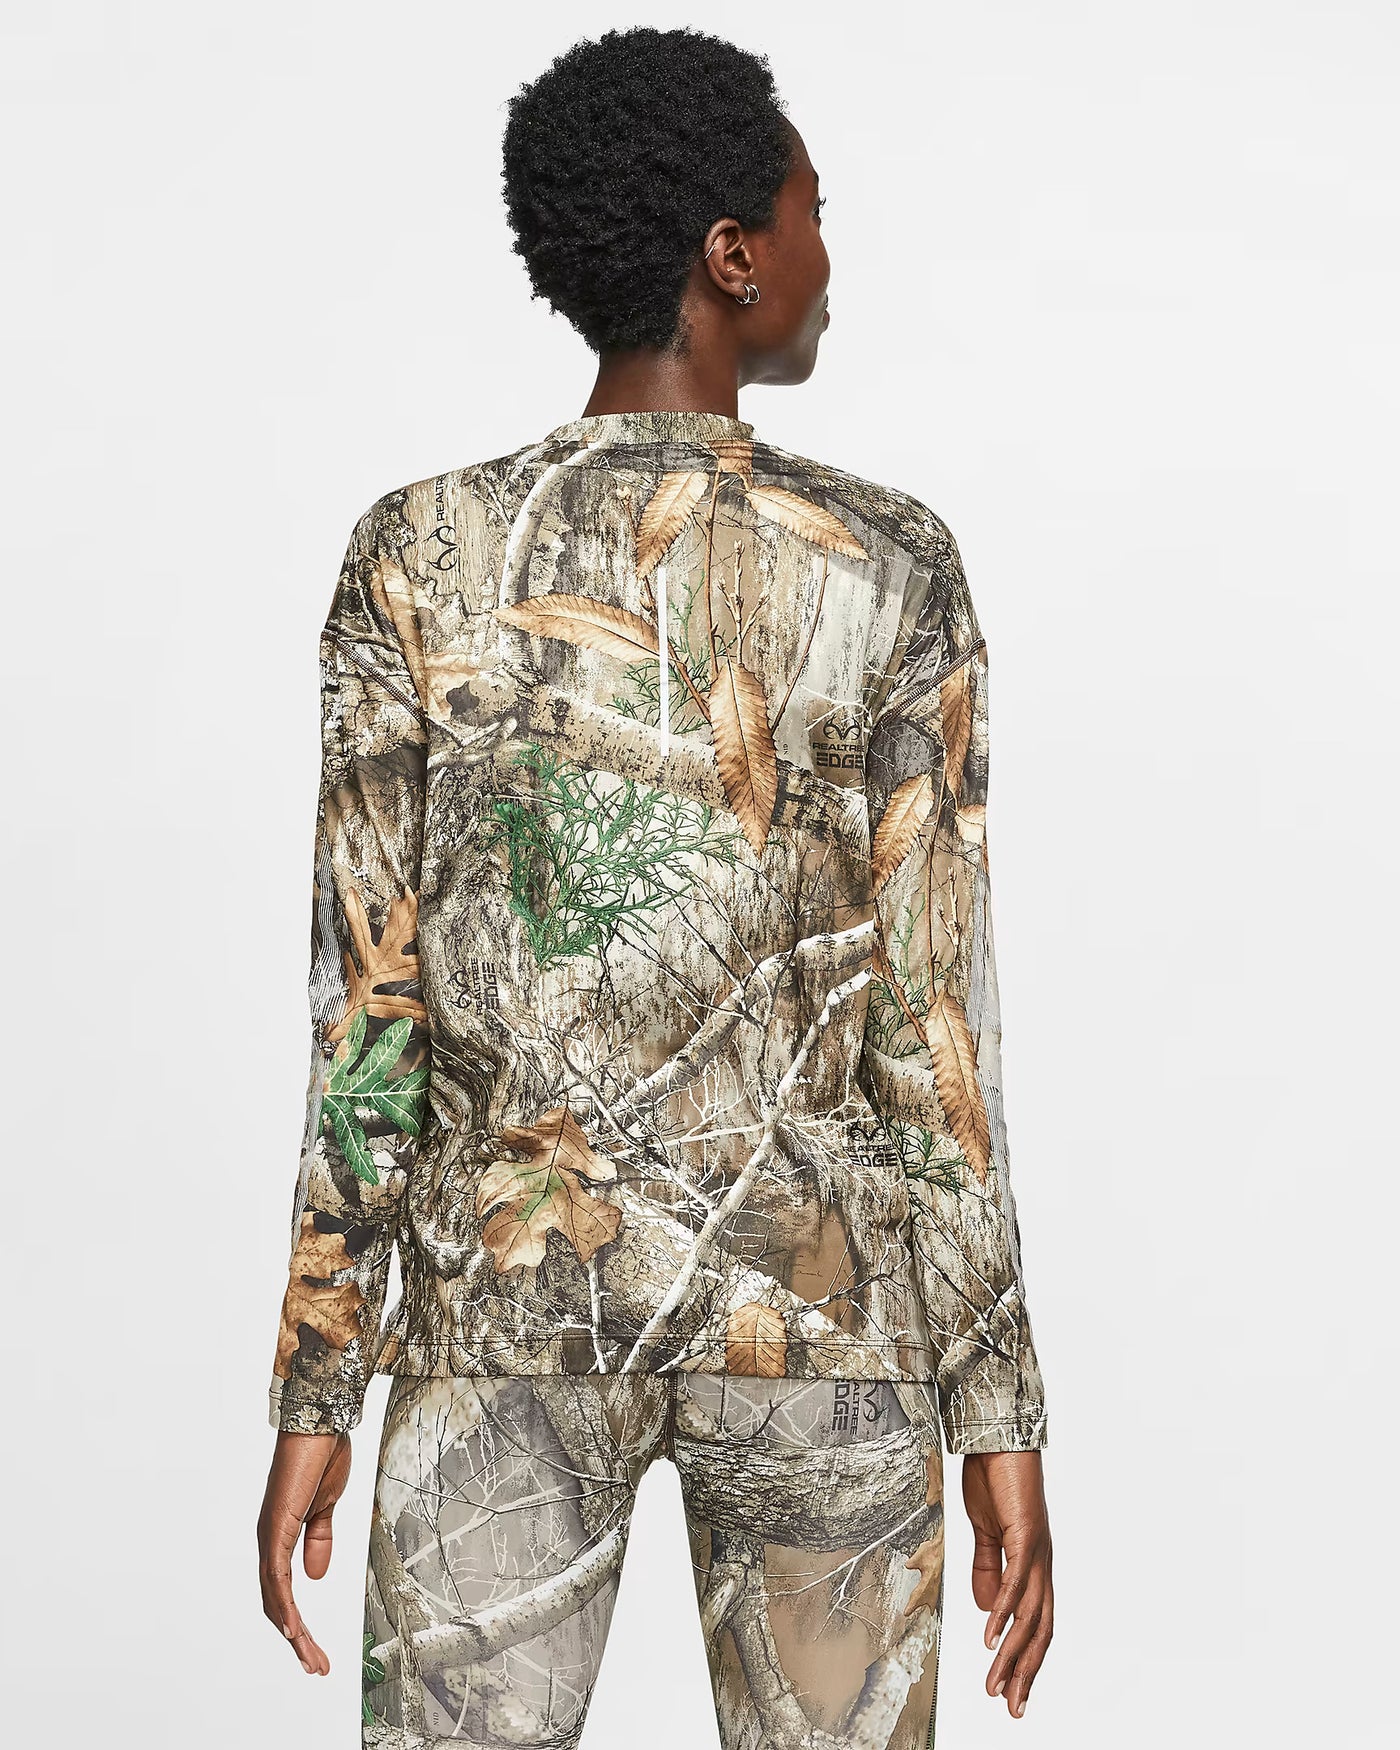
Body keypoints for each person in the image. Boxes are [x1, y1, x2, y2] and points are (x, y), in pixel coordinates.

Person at [257, 25, 1054, 1748]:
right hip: (825, 1321)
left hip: (507, 1308)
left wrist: (324, 1362)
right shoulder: (894, 567)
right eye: (813, 210)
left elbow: (370, 1004)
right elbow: (935, 1027)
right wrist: (996, 1404)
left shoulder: (423, 553)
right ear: (731, 255)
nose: (830, 251)